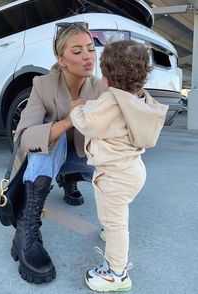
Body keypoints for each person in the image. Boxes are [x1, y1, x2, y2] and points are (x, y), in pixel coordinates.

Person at [70, 40, 169, 292]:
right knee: (117, 215)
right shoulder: (139, 99)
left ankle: (116, 272)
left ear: (106, 78)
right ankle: (111, 233)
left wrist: (75, 109)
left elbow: (88, 122)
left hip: (113, 177)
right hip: (133, 171)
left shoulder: (110, 101)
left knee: (116, 223)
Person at [10, 22, 104, 284]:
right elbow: (24, 137)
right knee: (53, 138)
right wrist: (68, 120)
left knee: (113, 161)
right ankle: (26, 231)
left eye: (90, 49)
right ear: (61, 59)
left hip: (80, 156)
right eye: (77, 51)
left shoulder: (100, 88)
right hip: (49, 158)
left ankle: (111, 218)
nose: (87, 56)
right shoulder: (43, 85)